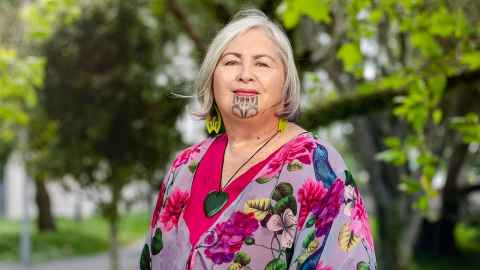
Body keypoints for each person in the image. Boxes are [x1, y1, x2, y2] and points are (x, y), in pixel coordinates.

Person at [140, 9, 376, 270]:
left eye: (262, 63)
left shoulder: (317, 166)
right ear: (211, 79)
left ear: (286, 84)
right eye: (230, 62)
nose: (245, 74)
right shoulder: (184, 166)